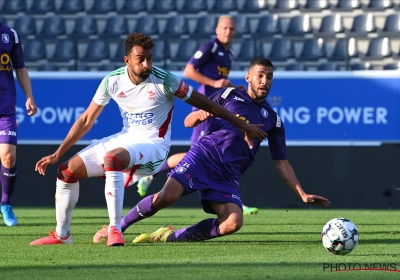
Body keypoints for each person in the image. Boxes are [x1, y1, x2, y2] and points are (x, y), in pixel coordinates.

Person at [29, 32, 266, 247]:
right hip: (127, 137)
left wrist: (242, 124)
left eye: (150, 58)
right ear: (127, 60)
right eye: (141, 59)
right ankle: (62, 235)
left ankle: (115, 229)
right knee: (66, 172)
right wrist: (57, 152)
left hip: (155, 144)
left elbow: (208, 105)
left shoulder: (165, 81)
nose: (147, 64)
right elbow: (86, 120)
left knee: (113, 158)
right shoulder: (112, 81)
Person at [92, 58, 330, 245]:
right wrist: (200, 114)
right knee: (166, 198)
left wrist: (301, 193)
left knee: (233, 223)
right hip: (203, 157)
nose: (264, 81)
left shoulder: (274, 121)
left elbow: (281, 162)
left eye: (269, 77)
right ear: (248, 77)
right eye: (260, 75)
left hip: (228, 176)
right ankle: (117, 227)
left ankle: (168, 237)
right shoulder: (229, 95)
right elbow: (189, 120)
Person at [136, 15, 259, 215]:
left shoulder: (228, 53)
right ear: (217, 30)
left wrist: (229, 86)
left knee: (206, 155)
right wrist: (214, 83)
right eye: (225, 28)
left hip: (218, 109)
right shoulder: (210, 46)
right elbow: (189, 71)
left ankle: (151, 174)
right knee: (197, 155)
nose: (228, 32)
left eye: (232, 29)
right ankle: (150, 173)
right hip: (205, 111)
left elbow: (219, 80)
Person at [0, 21, 37, 226]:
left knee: (8, 156)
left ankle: (5, 203)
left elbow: (20, 68)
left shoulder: (10, 34)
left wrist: (29, 96)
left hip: (5, 109)